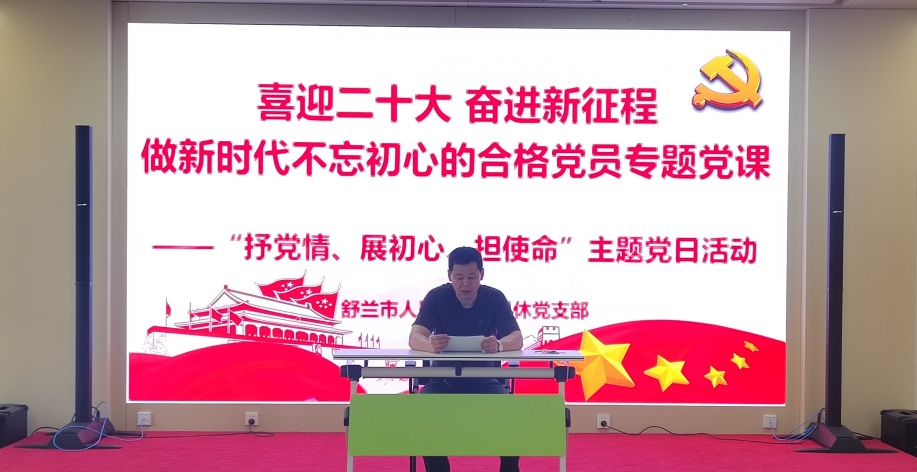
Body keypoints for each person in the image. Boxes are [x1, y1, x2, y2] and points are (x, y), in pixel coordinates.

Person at [409, 246, 523, 472]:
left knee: (510, 413)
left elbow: (516, 338)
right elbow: (415, 336)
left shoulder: (494, 298)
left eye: (472, 277)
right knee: (423, 410)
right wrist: (429, 345)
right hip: (442, 381)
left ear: (482, 274)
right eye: (459, 277)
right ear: (449, 275)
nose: (465, 284)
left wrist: (499, 345)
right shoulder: (437, 297)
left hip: (485, 380)